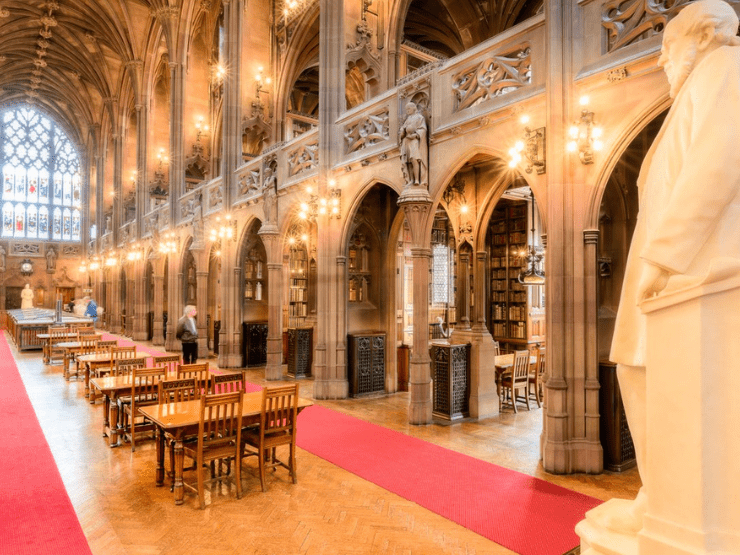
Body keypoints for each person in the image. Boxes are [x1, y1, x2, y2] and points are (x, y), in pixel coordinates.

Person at [609, 0, 740, 533]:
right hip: (665, 269)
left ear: (701, 37)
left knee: (668, 381)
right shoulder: (695, 87)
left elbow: (717, 162)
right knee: (636, 372)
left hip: (684, 270)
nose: (662, 61)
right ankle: (660, 493)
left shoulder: (724, 70)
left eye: (667, 49)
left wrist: (665, 259)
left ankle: (679, 505)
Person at [399, 101, 428, 188]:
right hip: (406, 141)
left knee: (414, 159)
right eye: (406, 109)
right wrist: (402, 131)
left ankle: (417, 179)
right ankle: (411, 179)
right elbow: (402, 131)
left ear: (414, 108)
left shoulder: (419, 117)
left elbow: (423, 129)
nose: (407, 110)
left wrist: (415, 135)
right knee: (408, 162)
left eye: (409, 109)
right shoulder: (407, 120)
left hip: (414, 140)